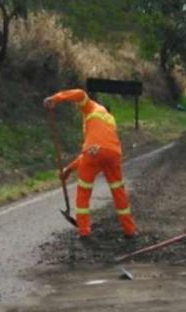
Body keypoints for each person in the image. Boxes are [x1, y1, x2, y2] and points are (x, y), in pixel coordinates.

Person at [43, 89, 136, 239]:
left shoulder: (90, 107)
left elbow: (79, 93)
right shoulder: (109, 119)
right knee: (118, 191)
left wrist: (55, 98)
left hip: (93, 152)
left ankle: (84, 231)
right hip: (114, 153)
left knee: (84, 192)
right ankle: (129, 230)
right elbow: (100, 148)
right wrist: (68, 169)